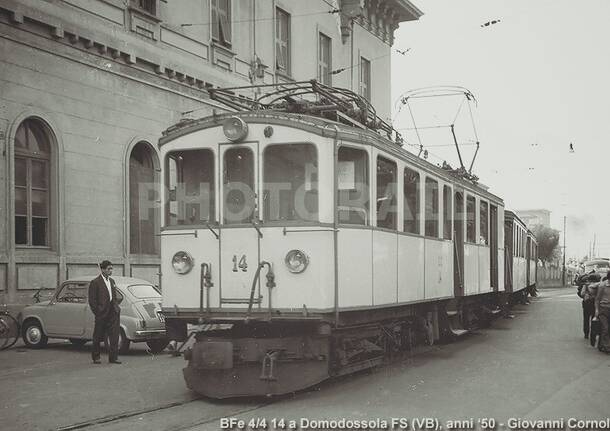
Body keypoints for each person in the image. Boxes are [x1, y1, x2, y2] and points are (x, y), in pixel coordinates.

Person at [88, 260, 122, 364]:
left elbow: (114, 296)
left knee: (114, 336)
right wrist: (98, 312)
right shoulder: (95, 282)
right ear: (102, 269)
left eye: (111, 268)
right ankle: (96, 357)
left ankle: (113, 358)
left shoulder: (112, 281)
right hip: (101, 313)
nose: (110, 271)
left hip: (113, 312)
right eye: (108, 269)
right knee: (98, 336)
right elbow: (92, 300)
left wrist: (116, 308)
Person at [578, 273, 600, 340]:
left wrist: (586, 295)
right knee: (594, 319)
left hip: (587, 304)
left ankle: (586, 334)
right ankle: (593, 334)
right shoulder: (598, 285)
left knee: (586, 319)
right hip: (595, 303)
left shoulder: (586, 285)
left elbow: (582, 294)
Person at [594, 270, 610, 353]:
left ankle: (602, 344)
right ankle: (606, 347)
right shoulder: (602, 286)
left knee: (607, 328)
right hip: (603, 308)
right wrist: (596, 310)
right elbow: (597, 299)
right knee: (605, 327)